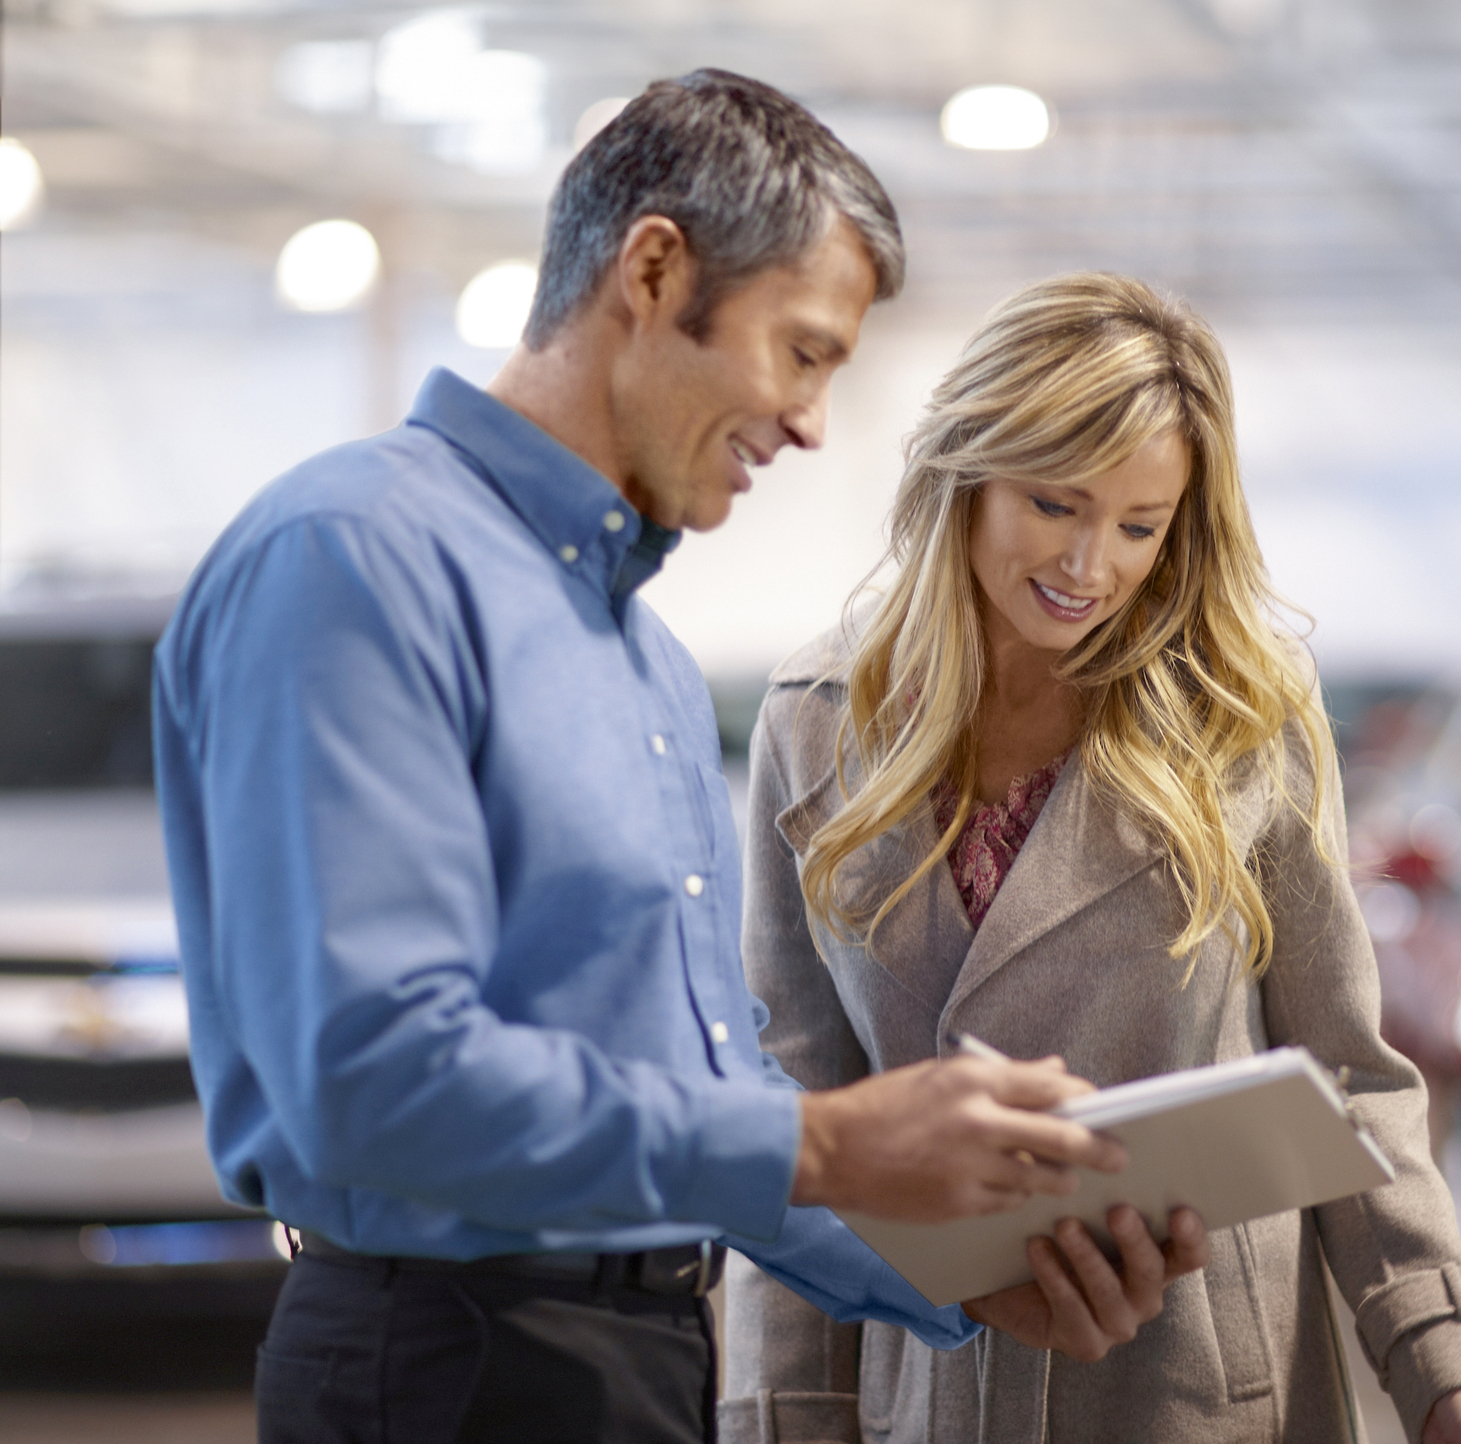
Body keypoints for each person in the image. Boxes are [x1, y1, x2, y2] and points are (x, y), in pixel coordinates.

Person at [153, 73, 1204, 1444]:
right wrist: (835, 1142)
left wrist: (963, 1278)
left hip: (635, 1358)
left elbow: (707, 1095)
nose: (813, 421)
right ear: (651, 271)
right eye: (804, 352)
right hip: (441, 1366)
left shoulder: (637, 658)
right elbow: (371, 1078)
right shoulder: (353, 562)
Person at [723, 273, 1461, 1444]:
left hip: (1203, 1388)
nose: (1092, 567)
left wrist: (1445, 1362)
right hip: (941, 1389)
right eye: (1056, 504)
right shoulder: (815, 719)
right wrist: (781, 1418)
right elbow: (798, 1111)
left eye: (1140, 526)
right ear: (967, 471)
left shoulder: (1241, 710)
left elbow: (1348, 1071)